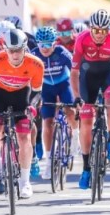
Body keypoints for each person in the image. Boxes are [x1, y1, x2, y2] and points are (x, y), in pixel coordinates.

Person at [0, 28, 44, 199]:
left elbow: (37, 91)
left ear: (25, 48)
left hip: (22, 97)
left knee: (24, 138)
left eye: (19, 50)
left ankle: (25, 182)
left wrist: (32, 106)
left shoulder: (36, 64)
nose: (15, 55)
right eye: (11, 50)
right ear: (5, 48)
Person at [70, 9, 110, 190]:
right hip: (88, 76)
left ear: (108, 30)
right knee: (86, 122)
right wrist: (77, 97)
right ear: (91, 29)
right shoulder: (82, 39)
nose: (100, 34)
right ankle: (86, 168)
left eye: (103, 31)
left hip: (109, 74)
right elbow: (75, 73)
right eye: (96, 30)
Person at [32, 26, 79, 179]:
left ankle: (75, 135)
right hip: (46, 89)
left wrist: (79, 94)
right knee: (47, 123)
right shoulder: (34, 55)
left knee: (70, 111)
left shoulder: (62, 52)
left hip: (64, 85)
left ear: (55, 43)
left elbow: (76, 72)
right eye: (41, 44)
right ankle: (49, 161)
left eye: (48, 44)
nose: (44, 48)